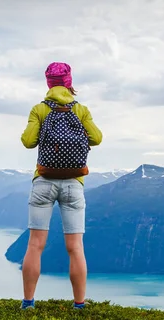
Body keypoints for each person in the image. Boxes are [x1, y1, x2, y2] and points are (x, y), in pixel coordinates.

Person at [19, 62, 103, 310]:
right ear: (69, 82)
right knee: (75, 247)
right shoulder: (81, 110)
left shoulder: (39, 110)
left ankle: (28, 303)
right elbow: (96, 138)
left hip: (43, 182)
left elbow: (27, 141)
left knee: (35, 244)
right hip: (73, 185)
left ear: (48, 83)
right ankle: (79, 304)